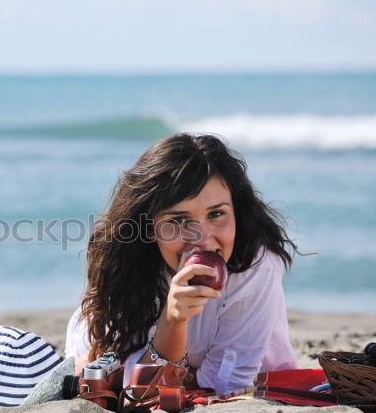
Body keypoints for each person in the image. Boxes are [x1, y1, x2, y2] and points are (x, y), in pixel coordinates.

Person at [64, 133, 304, 395]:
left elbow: (225, 384)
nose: (202, 239)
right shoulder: (124, 263)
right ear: (148, 226)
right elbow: (91, 369)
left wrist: (155, 361)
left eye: (216, 214)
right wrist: (173, 321)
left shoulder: (254, 264)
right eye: (178, 221)